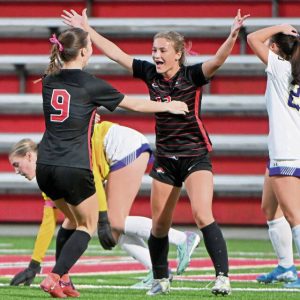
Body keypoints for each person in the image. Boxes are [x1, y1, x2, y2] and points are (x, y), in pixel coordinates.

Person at [62, 8, 250, 296]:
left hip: (194, 156)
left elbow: (218, 61)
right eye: (153, 49)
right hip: (165, 158)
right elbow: (116, 54)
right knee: (160, 225)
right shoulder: (150, 74)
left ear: (178, 54)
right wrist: (87, 29)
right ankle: (161, 279)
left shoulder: (192, 75)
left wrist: (232, 35)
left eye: (162, 50)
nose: (156, 55)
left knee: (202, 215)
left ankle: (222, 277)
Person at [34, 26, 188, 298]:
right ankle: (55, 277)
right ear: (84, 51)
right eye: (89, 47)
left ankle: (65, 280)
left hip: (44, 166)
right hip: (73, 166)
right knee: (87, 226)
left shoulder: (49, 80)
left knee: (70, 221)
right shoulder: (91, 84)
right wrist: (169, 105)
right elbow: (135, 105)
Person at [8, 123, 200, 290]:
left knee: (110, 221)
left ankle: (182, 238)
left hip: (122, 146)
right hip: (111, 156)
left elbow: (91, 174)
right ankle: (159, 270)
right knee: (113, 232)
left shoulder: (54, 160)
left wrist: (99, 217)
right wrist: (35, 264)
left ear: (30, 156)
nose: (17, 171)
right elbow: (53, 221)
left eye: (17, 164)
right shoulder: (47, 173)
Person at [247, 24, 300, 289]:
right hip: (286, 151)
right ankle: (286, 267)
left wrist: (281, 27)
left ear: (277, 48)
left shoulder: (281, 66)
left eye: (273, 44)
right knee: (270, 208)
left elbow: (252, 37)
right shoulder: (294, 69)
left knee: (295, 217)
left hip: (286, 153)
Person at [256, 170, 297, 284]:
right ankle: (285, 267)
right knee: (270, 208)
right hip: (276, 155)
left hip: (289, 155)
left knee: (293, 212)